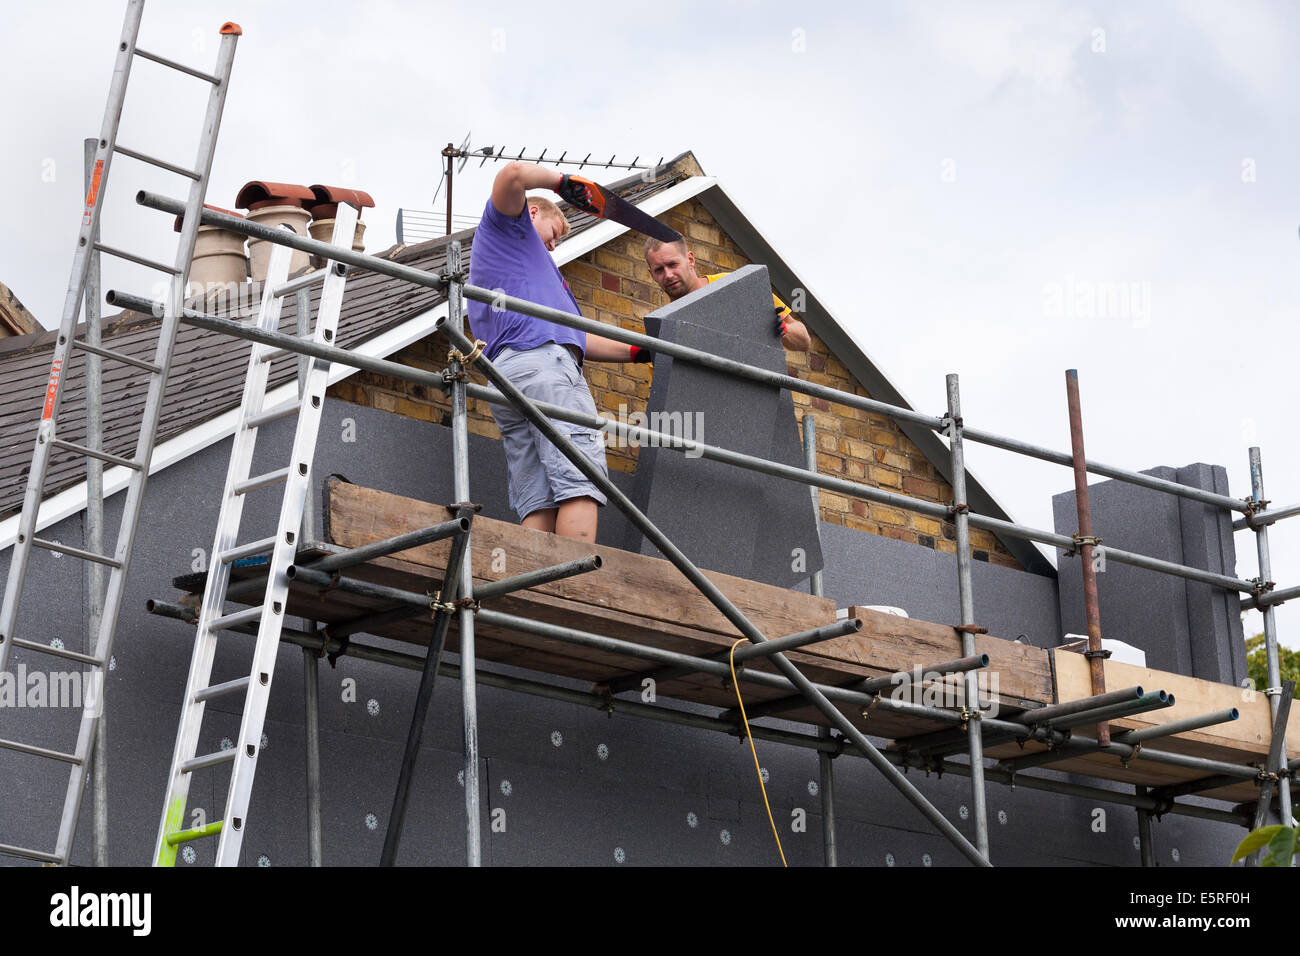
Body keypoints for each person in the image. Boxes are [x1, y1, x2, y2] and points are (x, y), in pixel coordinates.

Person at [467, 161, 650, 541]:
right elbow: (511, 175)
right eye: (553, 234)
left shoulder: (527, 276)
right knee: (580, 476)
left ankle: (535, 591)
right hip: (544, 367)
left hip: (509, 380)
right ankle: (573, 591)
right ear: (532, 212)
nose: (553, 245)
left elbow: (579, 338)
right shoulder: (506, 230)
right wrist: (564, 183)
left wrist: (639, 353)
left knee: (540, 497)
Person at [643, 236, 812, 351]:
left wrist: (783, 329)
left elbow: (804, 340)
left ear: (691, 260)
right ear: (652, 275)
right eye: (659, 270)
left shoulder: (736, 285)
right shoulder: (663, 328)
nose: (668, 275)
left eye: (673, 264)